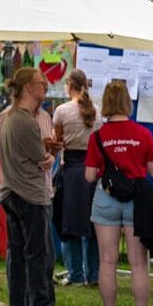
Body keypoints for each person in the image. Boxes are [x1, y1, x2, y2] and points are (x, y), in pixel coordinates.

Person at [0, 66, 75, 306]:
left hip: (10, 190)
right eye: (41, 83)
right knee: (39, 255)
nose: (45, 87)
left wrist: (43, 149)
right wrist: (49, 153)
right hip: (30, 194)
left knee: (17, 253)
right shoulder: (25, 121)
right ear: (29, 87)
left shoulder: (8, 118)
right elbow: (41, 160)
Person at [84, 79, 153, 306]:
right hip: (136, 201)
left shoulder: (97, 137)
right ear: (128, 102)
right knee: (139, 263)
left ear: (105, 103)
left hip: (106, 198)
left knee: (107, 261)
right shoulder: (143, 134)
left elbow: (89, 175)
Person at [52, 68, 99, 287]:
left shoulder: (62, 111)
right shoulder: (97, 111)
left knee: (69, 222)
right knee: (93, 225)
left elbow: (57, 141)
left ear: (69, 85)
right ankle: (94, 274)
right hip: (93, 170)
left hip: (71, 169)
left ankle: (75, 274)